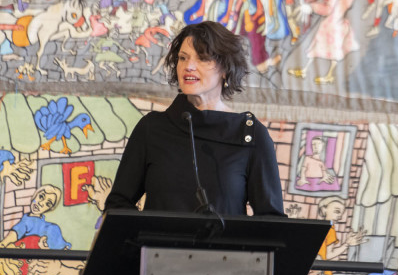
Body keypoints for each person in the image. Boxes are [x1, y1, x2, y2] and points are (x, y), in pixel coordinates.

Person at [105, 21, 286, 216]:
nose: (188, 66)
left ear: (226, 69)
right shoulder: (151, 128)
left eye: (202, 59)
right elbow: (118, 204)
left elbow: (271, 219)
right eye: (183, 58)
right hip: (157, 247)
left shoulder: (250, 134)